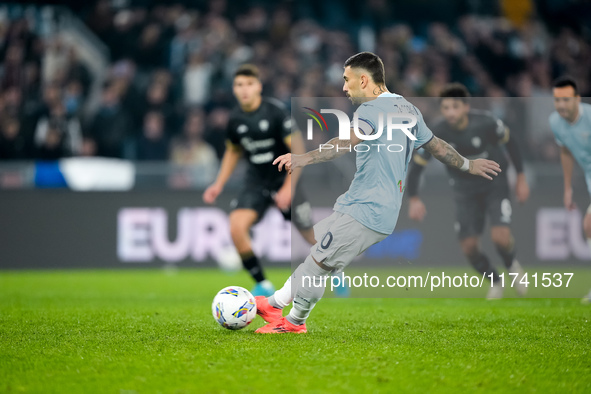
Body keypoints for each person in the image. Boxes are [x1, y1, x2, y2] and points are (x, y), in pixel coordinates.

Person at [255, 52, 501, 334]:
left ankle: (294, 323)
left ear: (364, 79)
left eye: (347, 81)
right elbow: (438, 147)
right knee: (318, 252)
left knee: (318, 263)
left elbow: (344, 142)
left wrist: (303, 158)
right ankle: (274, 303)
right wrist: (469, 164)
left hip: (368, 208)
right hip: (365, 204)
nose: (344, 88)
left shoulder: (371, 111)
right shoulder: (407, 108)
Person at [406, 83, 530, 299]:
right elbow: (417, 165)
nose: (450, 112)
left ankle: (511, 265)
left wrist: (520, 177)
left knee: (501, 238)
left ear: (465, 107)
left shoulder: (487, 122)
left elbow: (511, 143)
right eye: (446, 108)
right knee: (469, 247)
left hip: (494, 185)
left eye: (455, 107)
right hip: (464, 191)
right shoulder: (437, 132)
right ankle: (494, 280)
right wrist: (414, 198)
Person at [203, 64, 315, 297]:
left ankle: (336, 271)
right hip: (256, 183)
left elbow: (299, 151)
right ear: (234, 89)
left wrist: (287, 188)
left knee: (310, 236)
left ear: (259, 87)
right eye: (239, 85)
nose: (244, 89)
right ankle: (262, 283)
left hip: (285, 178)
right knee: (236, 226)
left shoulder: (276, 112)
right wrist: (218, 184)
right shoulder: (235, 119)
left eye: (249, 84)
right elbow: (233, 152)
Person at [549, 77, 591, 304]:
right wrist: (568, 188)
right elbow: (565, 152)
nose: (561, 105)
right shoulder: (555, 121)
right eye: (557, 100)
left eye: (566, 100)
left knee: (589, 224)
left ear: (577, 99)